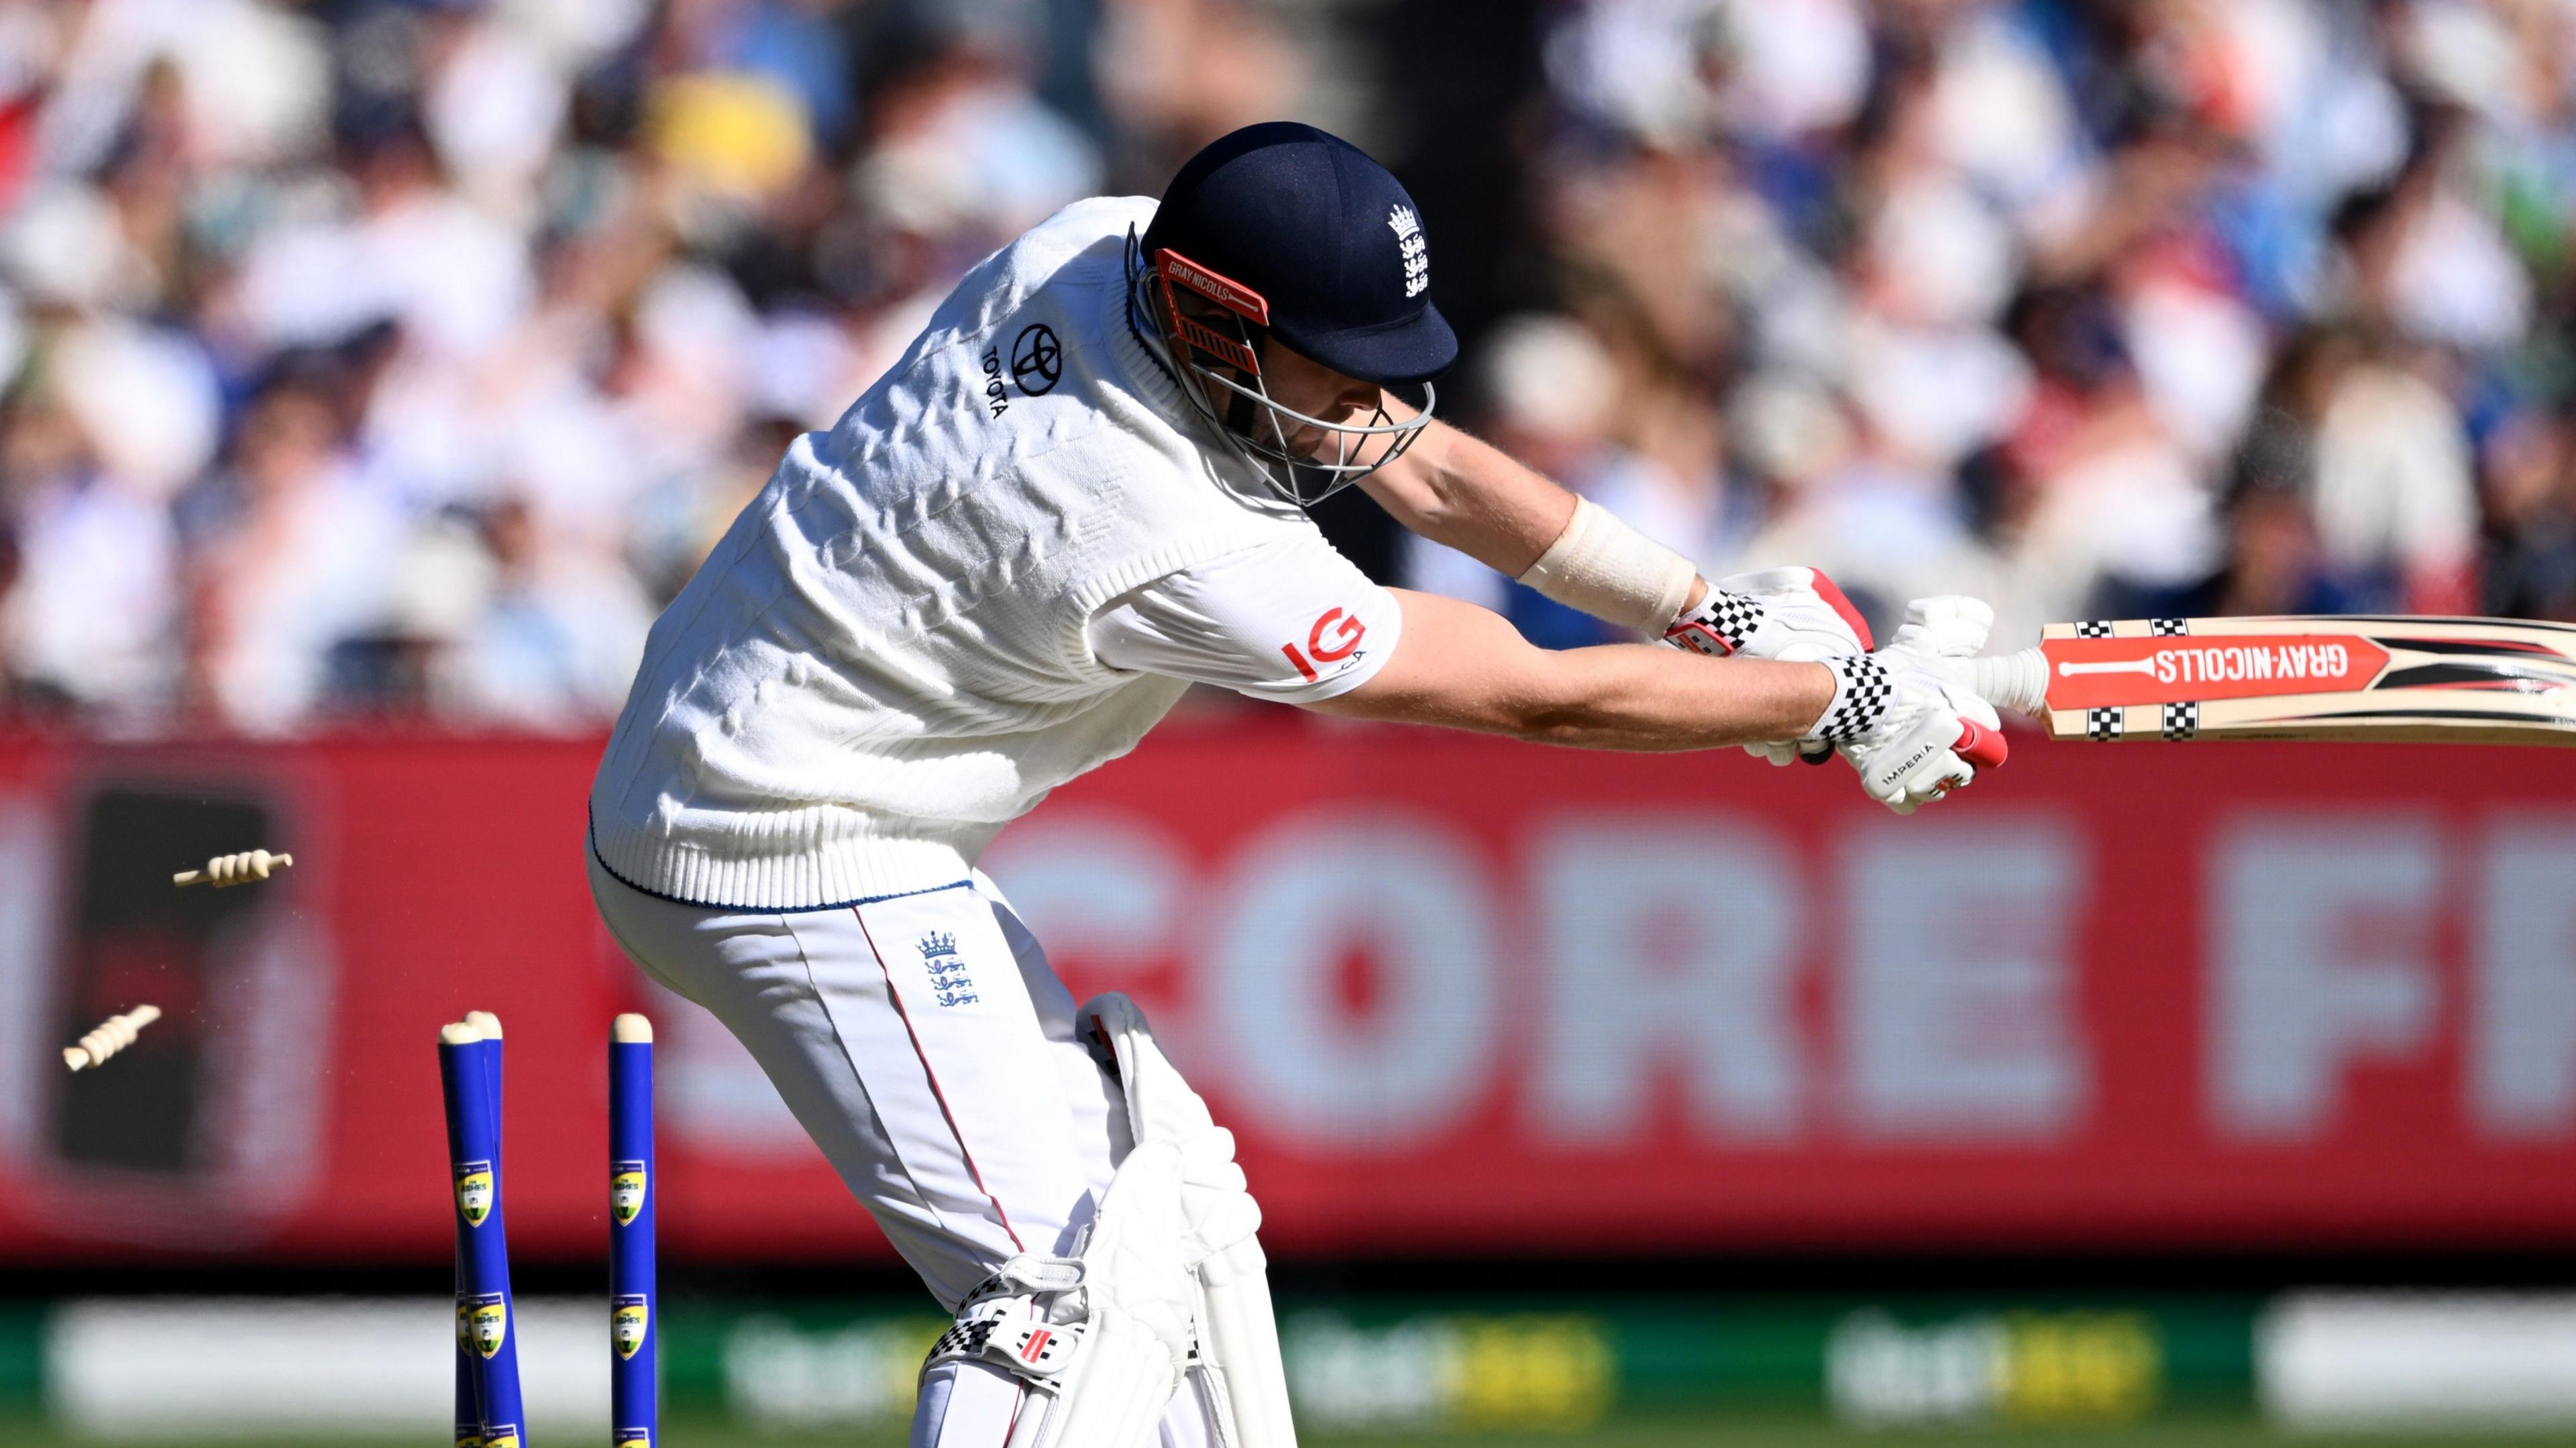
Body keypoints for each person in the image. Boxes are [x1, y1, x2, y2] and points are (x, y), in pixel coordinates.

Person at [585, 122, 2015, 1448]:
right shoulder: (1147, 527)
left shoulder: (1103, 243)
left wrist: (1704, 613)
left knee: (1181, 1233)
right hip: (781, 852)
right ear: (1216, 318)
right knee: (1071, 1304)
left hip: (774, 769)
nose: (1364, 412)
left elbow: (1426, 468)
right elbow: (1529, 690)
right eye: (1334, 369)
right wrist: (1841, 699)